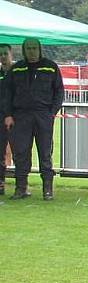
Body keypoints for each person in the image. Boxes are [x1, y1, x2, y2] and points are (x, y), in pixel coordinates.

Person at [3, 38, 63, 200]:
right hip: (20, 116)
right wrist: (8, 114)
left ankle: (47, 190)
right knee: (20, 153)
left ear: (40, 49)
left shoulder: (50, 67)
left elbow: (59, 92)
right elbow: (7, 94)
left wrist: (52, 112)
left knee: (45, 153)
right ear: (23, 50)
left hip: (43, 114)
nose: (31, 51)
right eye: (28, 48)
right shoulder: (16, 69)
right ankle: (20, 188)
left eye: (34, 48)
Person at [0, 44, 13, 196]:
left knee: (19, 152)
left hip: (17, 118)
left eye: (5, 53)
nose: (3, 56)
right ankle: (1, 184)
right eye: (0, 54)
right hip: (1, 117)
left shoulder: (17, 72)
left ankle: (22, 186)